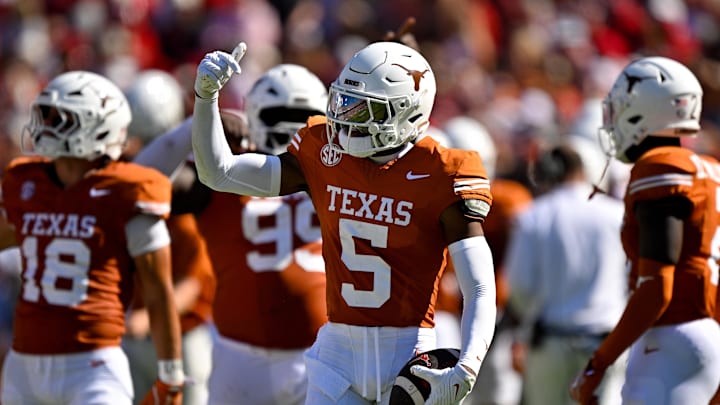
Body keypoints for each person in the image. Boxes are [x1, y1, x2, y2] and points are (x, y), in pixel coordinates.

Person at [192, 40, 497, 404]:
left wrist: (468, 365)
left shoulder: (442, 171)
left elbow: (479, 287)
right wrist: (205, 98)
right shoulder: (324, 155)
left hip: (408, 353)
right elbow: (219, 174)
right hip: (337, 352)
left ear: (404, 113)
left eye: (363, 109)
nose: (345, 117)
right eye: (344, 102)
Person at [0, 71, 184, 405]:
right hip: (23, 364)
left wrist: (171, 374)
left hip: (92, 366)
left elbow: (159, 293)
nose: (46, 126)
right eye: (46, 115)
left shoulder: (127, 192)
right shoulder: (25, 183)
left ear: (100, 127)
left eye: (62, 119)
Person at [570, 56, 720, 405]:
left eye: (622, 108)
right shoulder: (709, 170)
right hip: (705, 334)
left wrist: (599, 362)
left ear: (645, 111)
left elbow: (657, 288)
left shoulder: (659, 168)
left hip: (672, 339)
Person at [195, 65, 329, 404]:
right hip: (239, 355)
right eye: (279, 113)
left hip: (322, 353)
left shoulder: (338, 173)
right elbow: (161, 184)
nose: (288, 125)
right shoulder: (223, 168)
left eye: (302, 116)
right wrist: (202, 116)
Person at [505, 142, 627, 405]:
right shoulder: (616, 215)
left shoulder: (534, 216)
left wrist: (530, 319)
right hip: (604, 342)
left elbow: (520, 285)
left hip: (550, 342)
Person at [123, 69, 216, 405]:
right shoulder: (123, 179)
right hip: (133, 333)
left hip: (183, 333)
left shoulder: (186, 195)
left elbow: (193, 282)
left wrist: (147, 317)